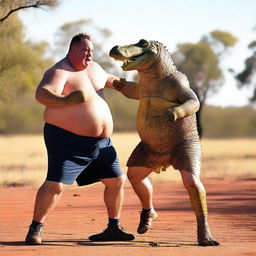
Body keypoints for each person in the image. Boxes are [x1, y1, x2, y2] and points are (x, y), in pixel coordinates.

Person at [25, 33, 135, 245]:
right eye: (85, 50)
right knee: (56, 185)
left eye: (92, 51)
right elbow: (42, 94)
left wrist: (126, 86)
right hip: (67, 139)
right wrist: (66, 100)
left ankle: (114, 227)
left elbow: (110, 80)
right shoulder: (59, 71)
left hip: (102, 144)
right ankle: (35, 229)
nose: (89, 55)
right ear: (73, 49)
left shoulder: (94, 68)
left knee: (116, 181)